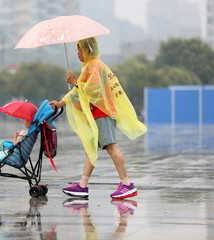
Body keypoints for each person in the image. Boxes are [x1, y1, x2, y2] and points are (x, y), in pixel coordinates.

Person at [50, 37, 147, 199]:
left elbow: (93, 89)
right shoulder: (89, 66)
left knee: (111, 146)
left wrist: (75, 82)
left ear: (88, 49)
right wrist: (60, 103)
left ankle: (126, 184)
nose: (77, 53)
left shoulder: (95, 65)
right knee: (91, 149)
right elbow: (78, 92)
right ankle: (82, 185)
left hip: (103, 112)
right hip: (97, 113)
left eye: (79, 49)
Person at [0, 119, 32, 185]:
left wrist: (15, 137)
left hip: (16, 156)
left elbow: (15, 144)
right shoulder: (31, 133)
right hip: (22, 155)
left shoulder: (23, 132)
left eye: (25, 120)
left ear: (28, 122)